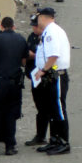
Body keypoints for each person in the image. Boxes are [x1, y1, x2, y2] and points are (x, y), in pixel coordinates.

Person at [0, 17, 29, 157]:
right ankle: (10, 146)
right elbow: (24, 61)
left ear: (1, 26)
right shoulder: (21, 39)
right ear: (13, 26)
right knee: (11, 114)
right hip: (15, 83)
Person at [31, 7, 71, 156]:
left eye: (39, 17)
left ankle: (63, 142)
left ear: (43, 17)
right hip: (51, 75)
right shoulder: (49, 31)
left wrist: (44, 70)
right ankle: (54, 140)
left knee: (59, 109)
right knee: (52, 109)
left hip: (57, 74)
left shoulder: (52, 32)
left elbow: (54, 55)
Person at [24, 14, 49, 147]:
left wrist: (35, 55)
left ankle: (53, 136)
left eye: (35, 26)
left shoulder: (48, 37)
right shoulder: (32, 37)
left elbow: (53, 58)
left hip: (47, 77)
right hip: (35, 77)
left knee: (49, 108)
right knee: (40, 108)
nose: (34, 28)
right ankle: (40, 135)